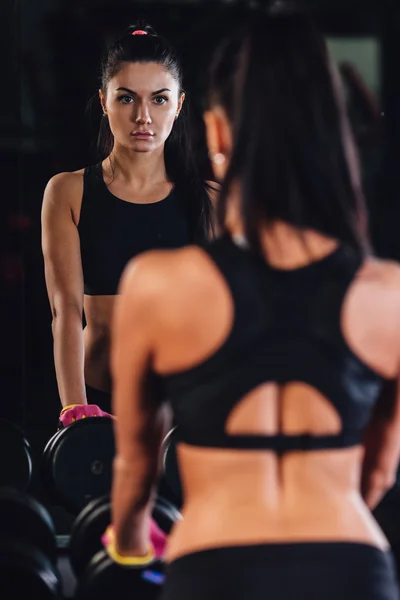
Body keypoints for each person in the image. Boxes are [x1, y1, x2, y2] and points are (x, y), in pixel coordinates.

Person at [107, 6, 400, 600]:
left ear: (216, 133)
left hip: (216, 566)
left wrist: (131, 546)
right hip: (353, 568)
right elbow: (377, 473)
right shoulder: (388, 293)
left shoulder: (158, 284)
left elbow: (138, 465)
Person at [41, 24, 215, 425]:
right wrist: (76, 407)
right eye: (126, 98)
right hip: (94, 399)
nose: (143, 116)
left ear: (179, 104)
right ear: (104, 101)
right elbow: (64, 310)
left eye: (159, 99)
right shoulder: (68, 192)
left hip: (181, 405)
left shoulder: (209, 199)